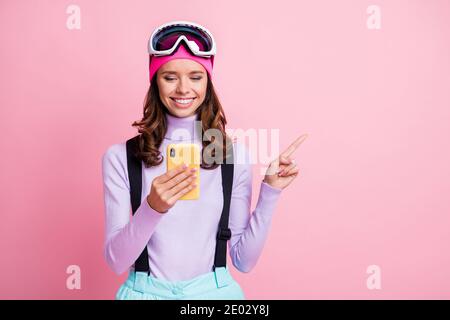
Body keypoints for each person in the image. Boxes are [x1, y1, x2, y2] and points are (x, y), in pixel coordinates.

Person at [101, 20, 305, 300]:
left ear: (208, 81)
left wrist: (270, 191)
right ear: (155, 81)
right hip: (143, 293)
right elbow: (116, 261)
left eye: (196, 76)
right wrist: (152, 207)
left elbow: (244, 261)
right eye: (170, 77)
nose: (183, 88)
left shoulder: (234, 158)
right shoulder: (120, 158)